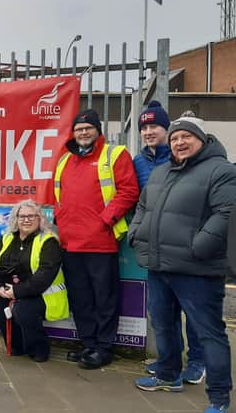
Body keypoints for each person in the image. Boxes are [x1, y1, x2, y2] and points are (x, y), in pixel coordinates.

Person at [129, 115, 236, 413]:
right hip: (159, 265)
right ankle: (168, 375)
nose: (179, 142)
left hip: (197, 270)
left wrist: (198, 247)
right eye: (175, 138)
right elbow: (143, 205)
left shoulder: (222, 171)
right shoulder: (163, 172)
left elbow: (227, 213)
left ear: (202, 139)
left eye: (186, 136)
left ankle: (219, 398)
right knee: (163, 325)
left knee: (209, 333)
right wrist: (136, 233)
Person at [53, 108, 139, 369]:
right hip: (70, 242)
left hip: (101, 242)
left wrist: (105, 220)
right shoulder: (65, 159)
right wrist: (60, 220)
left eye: (88, 128)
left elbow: (129, 191)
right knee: (80, 298)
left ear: (97, 130)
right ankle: (88, 344)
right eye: (79, 129)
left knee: (104, 298)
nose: (83, 133)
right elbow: (57, 194)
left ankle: (104, 347)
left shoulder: (115, 154)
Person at [134, 103, 205, 384]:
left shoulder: (182, 159)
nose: (150, 132)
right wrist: (137, 231)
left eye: (155, 126)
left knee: (194, 311)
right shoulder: (138, 162)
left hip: (187, 249)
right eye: (145, 128)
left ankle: (198, 363)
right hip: (155, 249)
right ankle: (169, 362)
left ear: (167, 129)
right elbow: (139, 200)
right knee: (164, 313)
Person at [0, 199, 68, 362]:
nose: (26, 220)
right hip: (10, 291)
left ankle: (38, 349)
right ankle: (16, 345)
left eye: (31, 216)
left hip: (42, 295)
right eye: (22, 216)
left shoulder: (49, 240)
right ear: (15, 219)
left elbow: (45, 274)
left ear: (40, 218)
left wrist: (16, 292)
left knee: (22, 309)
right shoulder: (7, 238)